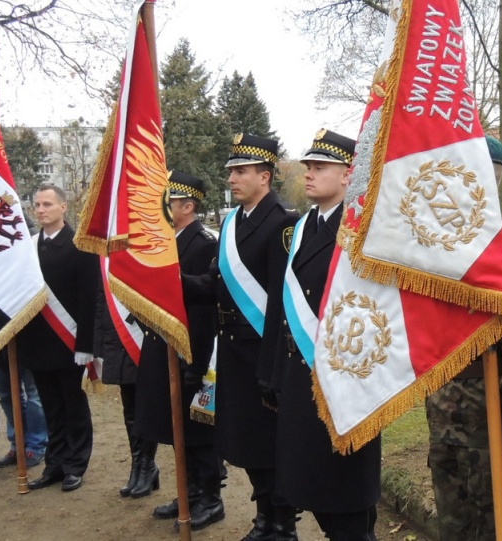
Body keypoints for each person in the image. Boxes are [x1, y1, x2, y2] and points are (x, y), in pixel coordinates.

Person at [264, 129, 382, 541]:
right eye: (308, 167)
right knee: (311, 485)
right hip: (301, 378)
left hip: (345, 382)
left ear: (349, 176)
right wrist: (273, 375)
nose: (309, 174)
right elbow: (283, 308)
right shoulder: (303, 227)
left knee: (346, 502)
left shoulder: (362, 233)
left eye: (320, 167)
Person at [184, 133, 299, 540]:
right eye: (231, 171)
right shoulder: (233, 222)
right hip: (231, 351)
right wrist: (173, 283)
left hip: (264, 352)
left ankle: (282, 523)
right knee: (246, 442)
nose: (232, 178)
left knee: (271, 443)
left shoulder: (284, 222)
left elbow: (285, 303)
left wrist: (273, 366)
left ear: (265, 176)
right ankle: (263, 517)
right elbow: (215, 284)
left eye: (241, 171)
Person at [425, 135, 502, 541]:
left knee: (496, 527)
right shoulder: (437, 246)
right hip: (445, 414)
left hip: (491, 421)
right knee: (453, 525)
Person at [135, 171, 223, 530]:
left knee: (199, 431)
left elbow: (204, 309)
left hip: (191, 351)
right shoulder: (167, 241)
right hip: (164, 346)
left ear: (188, 206)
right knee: (177, 430)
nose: (163, 208)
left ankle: (210, 498)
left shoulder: (202, 244)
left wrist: (195, 364)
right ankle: (189, 492)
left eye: (169, 202)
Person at [18, 183, 99, 492]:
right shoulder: (29, 247)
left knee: (73, 406)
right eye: (37, 205)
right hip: (38, 343)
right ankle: (55, 463)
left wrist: (86, 346)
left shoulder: (80, 245)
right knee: (51, 407)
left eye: (47, 204)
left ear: (63, 207)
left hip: (70, 342)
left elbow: (89, 299)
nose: (40, 210)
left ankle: (75, 465)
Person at [92, 263, 146, 497]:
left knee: (145, 408)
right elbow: (101, 300)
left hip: (140, 336)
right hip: (117, 336)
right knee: (130, 410)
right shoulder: (106, 256)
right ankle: (139, 465)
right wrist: (98, 346)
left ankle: (147, 466)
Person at [0, 357, 48, 469]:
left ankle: (36, 446)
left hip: (29, 346)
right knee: (5, 393)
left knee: (34, 395)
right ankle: (18, 443)